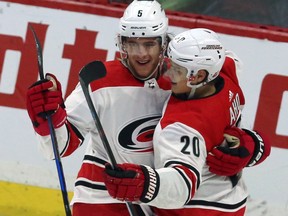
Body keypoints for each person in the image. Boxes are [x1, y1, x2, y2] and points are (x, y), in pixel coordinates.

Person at [26, 0, 269, 215]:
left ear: (163, 43)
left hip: (159, 196)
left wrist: (251, 144)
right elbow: (59, 147)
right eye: (132, 44)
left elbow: (217, 113)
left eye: (149, 44)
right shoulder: (100, 81)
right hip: (104, 192)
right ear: (122, 44)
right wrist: (47, 120)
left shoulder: (185, 74)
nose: (141, 53)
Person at [103, 28, 271, 216]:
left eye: (177, 70)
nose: (168, 75)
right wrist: (255, 145)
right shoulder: (228, 71)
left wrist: (145, 183)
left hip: (197, 211)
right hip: (232, 201)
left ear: (198, 76)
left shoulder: (182, 126)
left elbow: (183, 184)